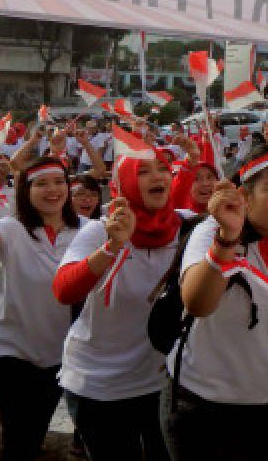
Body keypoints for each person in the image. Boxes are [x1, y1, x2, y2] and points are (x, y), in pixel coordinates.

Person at [161, 143, 268, 461]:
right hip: (202, 404)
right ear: (244, 195)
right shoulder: (212, 231)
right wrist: (227, 240)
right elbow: (197, 303)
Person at [53, 152, 183, 461]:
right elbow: (64, 290)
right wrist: (111, 248)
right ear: (124, 184)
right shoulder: (99, 230)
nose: (158, 177)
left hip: (161, 380)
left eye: (164, 169)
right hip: (99, 381)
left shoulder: (189, 227)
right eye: (144, 172)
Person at [0, 157, 84, 461]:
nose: (52, 190)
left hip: (57, 352)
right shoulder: (11, 228)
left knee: (31, 431)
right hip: (5, 345)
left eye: (59, 182)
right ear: (26, 191)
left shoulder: (88, 230)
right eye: (41, 184)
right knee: (21, 428)